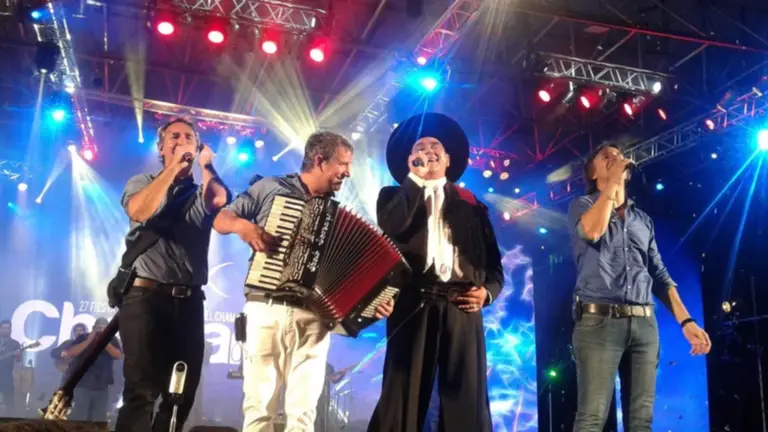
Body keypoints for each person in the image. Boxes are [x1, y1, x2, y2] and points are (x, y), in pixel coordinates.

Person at [212, 131, 394, 431]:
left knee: (303, 415)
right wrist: (244, 227)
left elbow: (353, 277)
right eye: (343, 164)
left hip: (314, 318)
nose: (348, 172)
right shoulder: (271, 187)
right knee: (259, 409)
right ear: (320, 161)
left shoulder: (336, 212)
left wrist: (374, 303)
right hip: (266, 306)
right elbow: (221, 218)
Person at [368, 113, 504, 432]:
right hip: (412, 302)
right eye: (420, 147)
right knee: (403, 390)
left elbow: (493, 264)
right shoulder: (392, 196)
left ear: (448, 159)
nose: (428, 150)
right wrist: (416, 180)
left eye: (435, 146)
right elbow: (393, 226)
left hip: (462, 304)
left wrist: (487, 293)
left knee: (464, 396)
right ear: (410, 159)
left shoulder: (472, 205)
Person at [567, 144, 712, 431]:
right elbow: (592, 231)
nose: (615, 158)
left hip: (644, 325)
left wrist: (686, 321)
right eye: (605, 157)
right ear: (593, 173)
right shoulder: (581, 206)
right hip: (599, 323)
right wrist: (612, 187)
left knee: (641, 422)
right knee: (591, 418)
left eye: (618, 155)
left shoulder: (642, 220)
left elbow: (659, 274)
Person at [115, 118, 231, 432]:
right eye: (174, 137)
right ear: (162, 146)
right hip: (145, 297)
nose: (182, 141)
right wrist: (173, 168)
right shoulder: (142, 181)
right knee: (141, 388)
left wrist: (206, 165)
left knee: (182, 391)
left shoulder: (200, 191)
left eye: (189, 137)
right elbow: (140, 211)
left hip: (189, 302)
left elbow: (218, 200)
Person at [50, 318, 122, 421]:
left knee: (98, 417)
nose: (101, 331)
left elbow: (118, 355)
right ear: (93, 328)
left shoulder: (112, 339)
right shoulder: (83, 337)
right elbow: (71, 352)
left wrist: (104, 341)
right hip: (82, 383)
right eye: (99, 328)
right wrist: (88, 341)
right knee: (80, 416)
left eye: (104, 328)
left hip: (102, 386)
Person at [0, 319, 21, 416]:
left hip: (6, 375)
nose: (6, 330)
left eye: (8, 328)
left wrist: (18, 355)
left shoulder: (15, 344)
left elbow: (19, 361)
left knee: (9, 402)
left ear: (11, 330)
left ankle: (10, 420)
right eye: (4, 328)